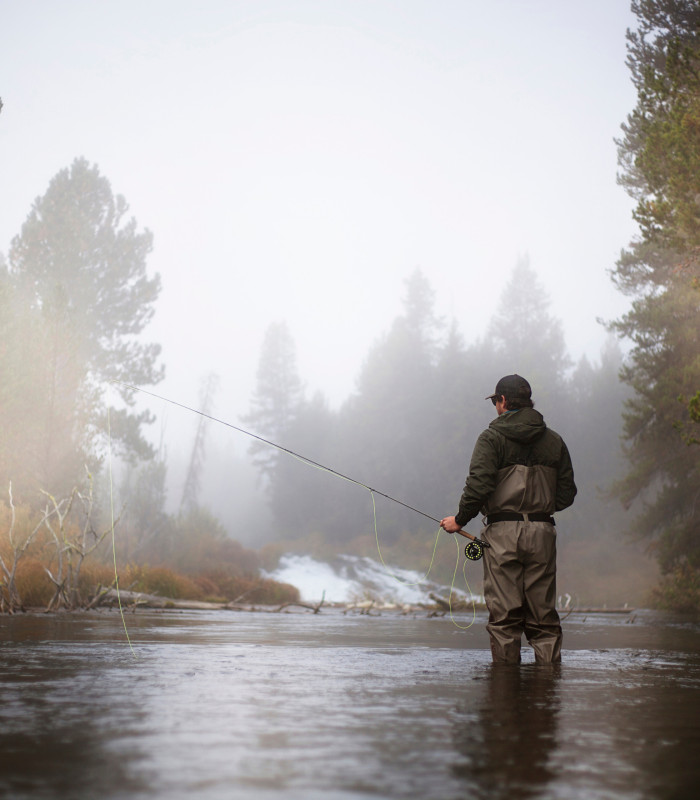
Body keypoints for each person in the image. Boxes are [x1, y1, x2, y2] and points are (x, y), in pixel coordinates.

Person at [440, 375, 576, 664]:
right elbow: (567, 494)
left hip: (502, 533)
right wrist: (539, 510)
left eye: (495, 401)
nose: (495, 407)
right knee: (543, 616)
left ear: (502, 401)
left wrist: (460, 520)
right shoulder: (554, 441)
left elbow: (479, 484)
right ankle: (546, 693)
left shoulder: (491, 438)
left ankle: (505, 694)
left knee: (505, 618)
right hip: (543, 531)